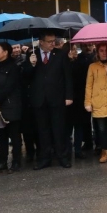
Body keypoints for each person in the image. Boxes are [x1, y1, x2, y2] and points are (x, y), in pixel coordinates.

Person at [24, 33, 73, 169]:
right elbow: (25, 76)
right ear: (41, 42)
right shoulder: (33, 55)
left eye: (53, 41)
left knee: (59, 129)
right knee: (42, 130)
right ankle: (45, 158)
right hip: (39, 99)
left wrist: (69, 96)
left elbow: (67, 76)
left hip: (57, 98)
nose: (52, 43)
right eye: (49, 41)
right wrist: (31, 64)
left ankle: (62, 156)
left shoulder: (61, 55)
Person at [0, 42, 23, 173]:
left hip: (11, 105)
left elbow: (10, 86)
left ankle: (16, 161)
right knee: (1, 135)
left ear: (5, 52)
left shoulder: (13, 67)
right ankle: (2, 161)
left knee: (14, 135)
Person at [84, 43, 107, 163]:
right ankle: (104, 150)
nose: (104, 53)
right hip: (98, 101)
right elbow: (88, 85)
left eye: (106, 50)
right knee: (101, 129)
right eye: (101, 50)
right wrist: (87, 102)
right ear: (97, 52)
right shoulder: (92, 66)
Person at [67, 43, 95, 158]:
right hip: (68, 98)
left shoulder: (81, 61)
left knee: (80, 124)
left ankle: (79, 148)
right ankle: (68, 149)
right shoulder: (65, 62)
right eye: (72, 49)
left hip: (80, 97)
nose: (74, 51)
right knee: (68, 126)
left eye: (75, 49)